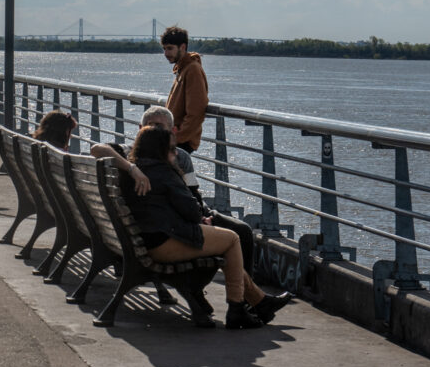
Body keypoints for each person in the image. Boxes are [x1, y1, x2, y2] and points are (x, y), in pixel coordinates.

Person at [123, 125, 291, 329]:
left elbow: (161, 207)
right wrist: (201, 218)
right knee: (232, 239)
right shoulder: (163, 172)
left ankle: (261, 302)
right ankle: (236, 307)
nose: (176, 153)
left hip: (145, 239)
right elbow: (192, 210)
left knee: (225, 244)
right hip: (163, 243)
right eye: (172, 149)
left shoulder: (135, 169)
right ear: (159, 150)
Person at [91, 106, 257, 278]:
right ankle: (244, 296)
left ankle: (248, 290)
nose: (155, 130)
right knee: (232, 237)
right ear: (141, 129)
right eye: (150, 125)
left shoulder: (181, 157)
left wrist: (203, 216)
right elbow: (97, 149)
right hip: (170, 224)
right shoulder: (127, 153)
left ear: (172, 131)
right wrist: (131, 168)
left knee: (243, 230)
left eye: (160, 126)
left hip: (189, 212)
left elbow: (193, 192)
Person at [161, 26, 208, 154]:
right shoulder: (182, 69)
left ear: (182, 47)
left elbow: (196, 111)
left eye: (170, 48)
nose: (166, 53)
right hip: (173, 138)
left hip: (182, 141)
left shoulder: (192, 69)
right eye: (164, 49)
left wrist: (177, 138)